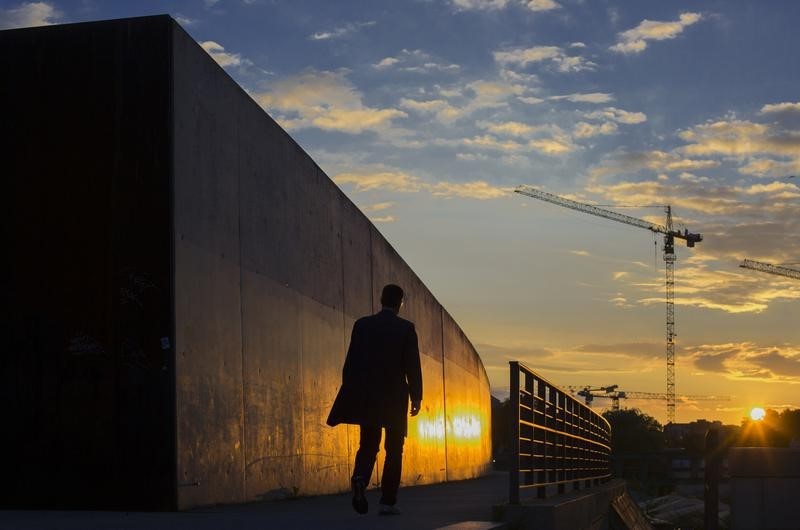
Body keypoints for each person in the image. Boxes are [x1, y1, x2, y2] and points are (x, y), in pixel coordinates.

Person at [326, 284, 422, 516]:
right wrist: (416, 397)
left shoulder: (362, 325)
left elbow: (350, 363)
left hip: (367, 397)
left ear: (381, 299)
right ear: (400, 303)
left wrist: (352, 392)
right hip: (395, 398)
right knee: (394, 449)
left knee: (368, 445)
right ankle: (387, 502)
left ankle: (360, 479)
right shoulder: (406, 329)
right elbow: (412, 366)